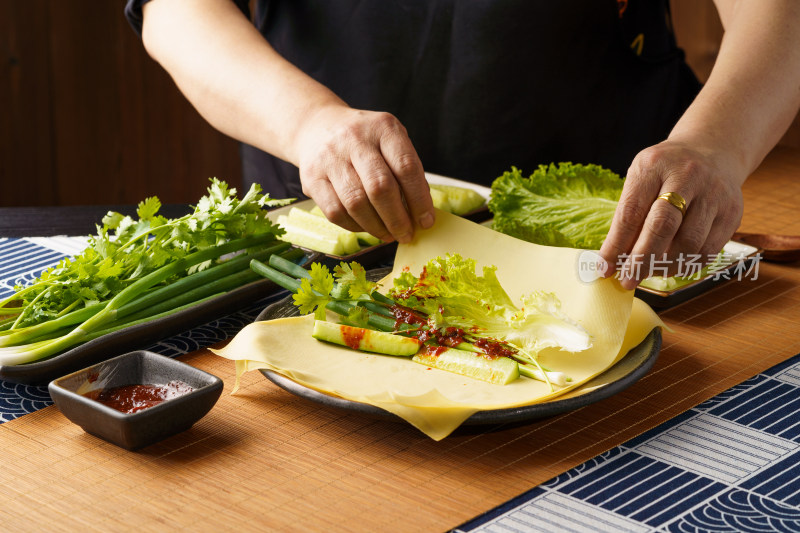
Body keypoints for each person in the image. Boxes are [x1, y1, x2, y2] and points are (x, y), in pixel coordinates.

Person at [125, 0, 800, 289]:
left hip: (620, 254)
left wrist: (716, 145)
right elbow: (177, 11)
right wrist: (308, 123)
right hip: (332, 253)